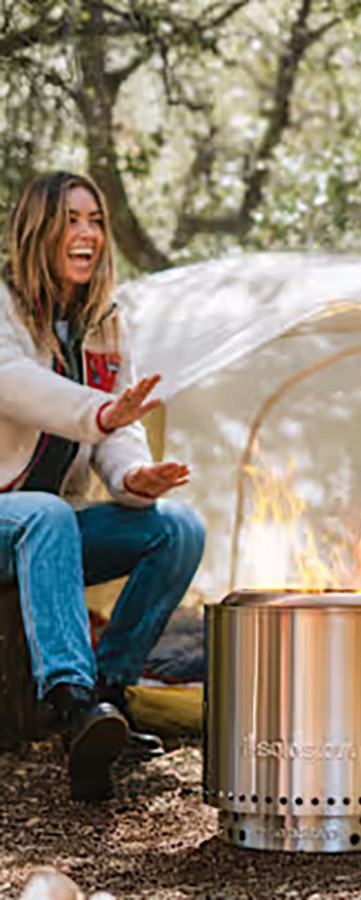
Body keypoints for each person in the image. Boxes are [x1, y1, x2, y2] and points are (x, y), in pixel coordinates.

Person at [0, 171, 205, 802]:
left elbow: (119, 431)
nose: (87, 233)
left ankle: (109, 700)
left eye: (95, 221)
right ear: (38, 230)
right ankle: (73, 703)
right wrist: (103, 413)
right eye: (71, 220)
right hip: (17, 520)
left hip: (49, 530)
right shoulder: (2, 302)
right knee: (45, 513)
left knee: (177, 529)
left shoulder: (105, 323)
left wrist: (132, 475)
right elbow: (14, 382)